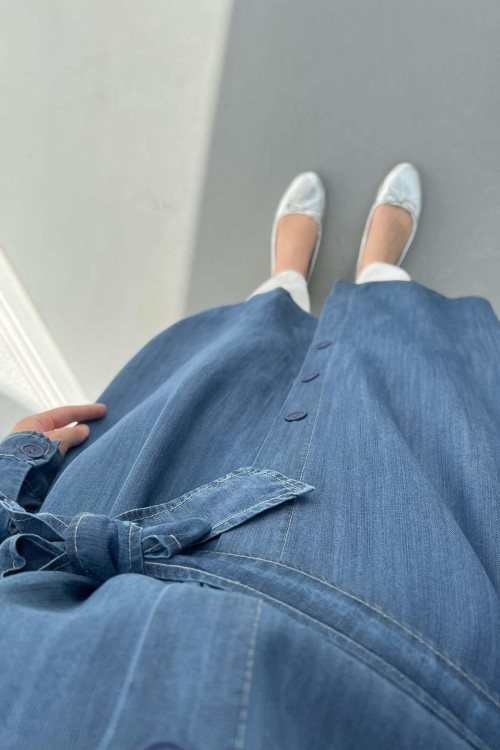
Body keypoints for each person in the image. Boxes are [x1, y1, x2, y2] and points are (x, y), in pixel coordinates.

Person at [0, 162, 499, 750]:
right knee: (412, 395)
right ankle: (382, 277)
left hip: (72, 571)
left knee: (223, 370)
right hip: (397, 649)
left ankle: (283, 283)